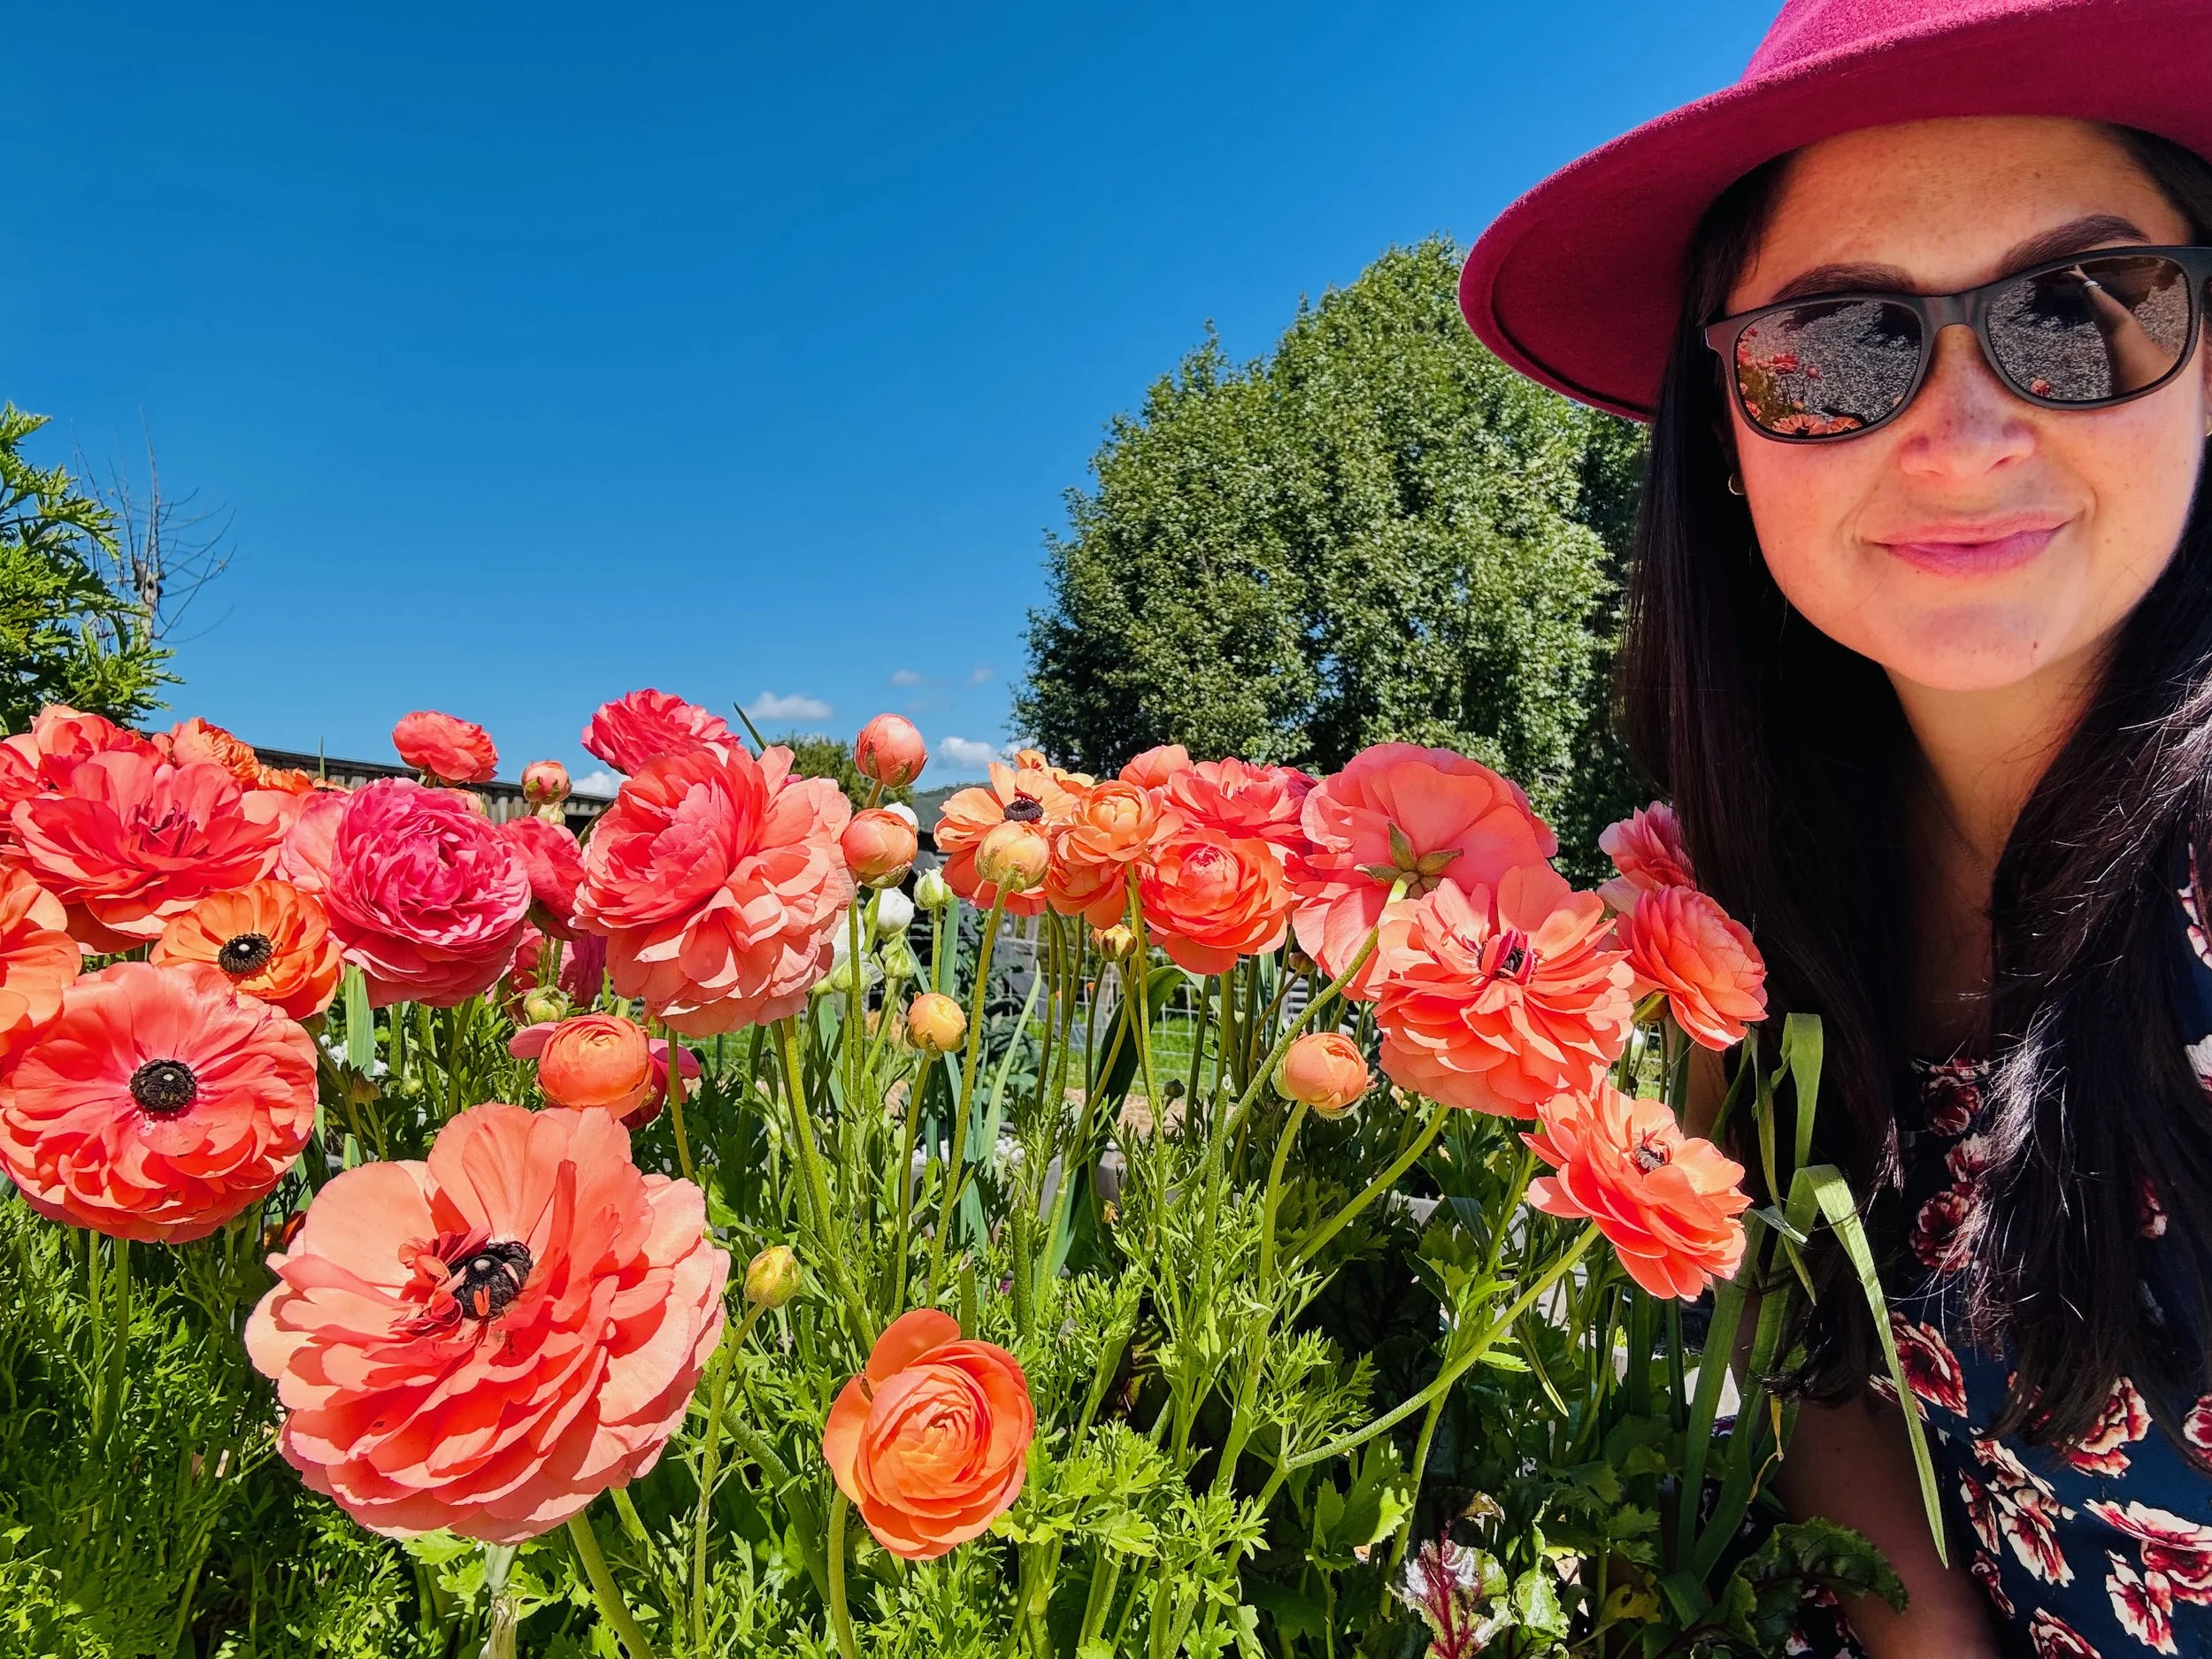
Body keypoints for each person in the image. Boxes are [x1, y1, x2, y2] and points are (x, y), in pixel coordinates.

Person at [1459, 1, 2212, 1653]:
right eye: (1840, 347)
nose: (1963, 429)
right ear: (1725, 431)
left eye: (2083, 311)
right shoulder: (1743, 912)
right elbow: (1812, 1358)